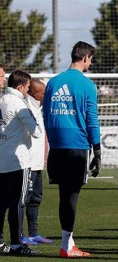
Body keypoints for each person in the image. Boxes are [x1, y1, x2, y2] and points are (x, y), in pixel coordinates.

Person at [43, 41, 101, 258]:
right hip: (78, 147)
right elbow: (91, 120)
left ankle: (69, 242)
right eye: (91, 59)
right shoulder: (87, 85)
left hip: (57, 147)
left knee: (63, 195)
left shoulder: (53, 82)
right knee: (71, 197)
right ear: (85, 57)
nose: (90, 63)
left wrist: (53, 139)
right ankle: (66, 247)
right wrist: (98, 151)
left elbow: (46, 116)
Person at [0, 70, 43, 255]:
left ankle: (1, 242)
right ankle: (17, 244)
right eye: (27, 87)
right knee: (18, 203)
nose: (27, 90)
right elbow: (36, 131)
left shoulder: (1, 100)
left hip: (1, 160)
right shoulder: (19, 103)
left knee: (1, 203)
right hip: (18, 162)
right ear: (20, 87)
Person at [21, 79, 53, 245]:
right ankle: (19, 234)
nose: (46, 95)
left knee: (36, 198)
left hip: (38, 163)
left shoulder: (39, 108)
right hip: (28, 164)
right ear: (35, 94)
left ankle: (33, 233)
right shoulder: (27, 107)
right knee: (23, 199)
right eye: (43, 93)